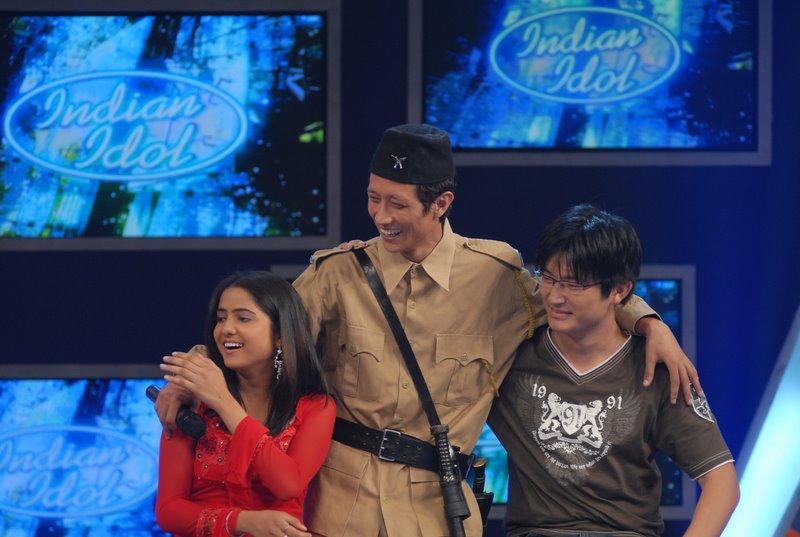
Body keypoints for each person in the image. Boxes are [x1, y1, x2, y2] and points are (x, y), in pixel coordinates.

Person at [157, 124, 701, 537]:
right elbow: (262, 327)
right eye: (373, 197)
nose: (380, 216)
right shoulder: (339, 273)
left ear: (441, 204)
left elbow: (575, 295)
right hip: (338, 505)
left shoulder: (496, 276)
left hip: (438, 510)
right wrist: (195, 371)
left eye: (397, 204)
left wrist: (648, 321)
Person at [488, 205, 739, 537]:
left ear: (619, 290)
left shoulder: (657, 367)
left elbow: (722, 482)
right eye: (548, 278)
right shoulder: (513, 354)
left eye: (574, 284)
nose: (555, 296)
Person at [154, 271, 336, 537]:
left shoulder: (315, 406)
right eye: (221, 318)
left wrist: (224, 402)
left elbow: (288, 484)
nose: (226, 328)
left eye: (243, 318)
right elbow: (169, 511)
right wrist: (241, 521)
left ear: (280, 335)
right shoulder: (191, 399)